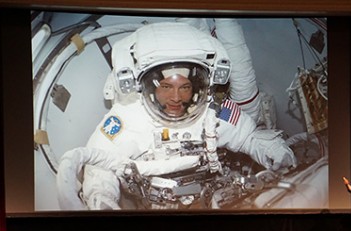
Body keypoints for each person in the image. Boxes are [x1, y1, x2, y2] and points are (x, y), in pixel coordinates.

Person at [56, 19, 296, 210]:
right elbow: (99, 167)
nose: (176, 97)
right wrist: (102, 200)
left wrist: (276, 153)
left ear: (199, 87)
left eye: (185, 87)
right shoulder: (126, 119)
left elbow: (249, 137)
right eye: (166, 87)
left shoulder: (213, 112)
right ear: (147, 88)